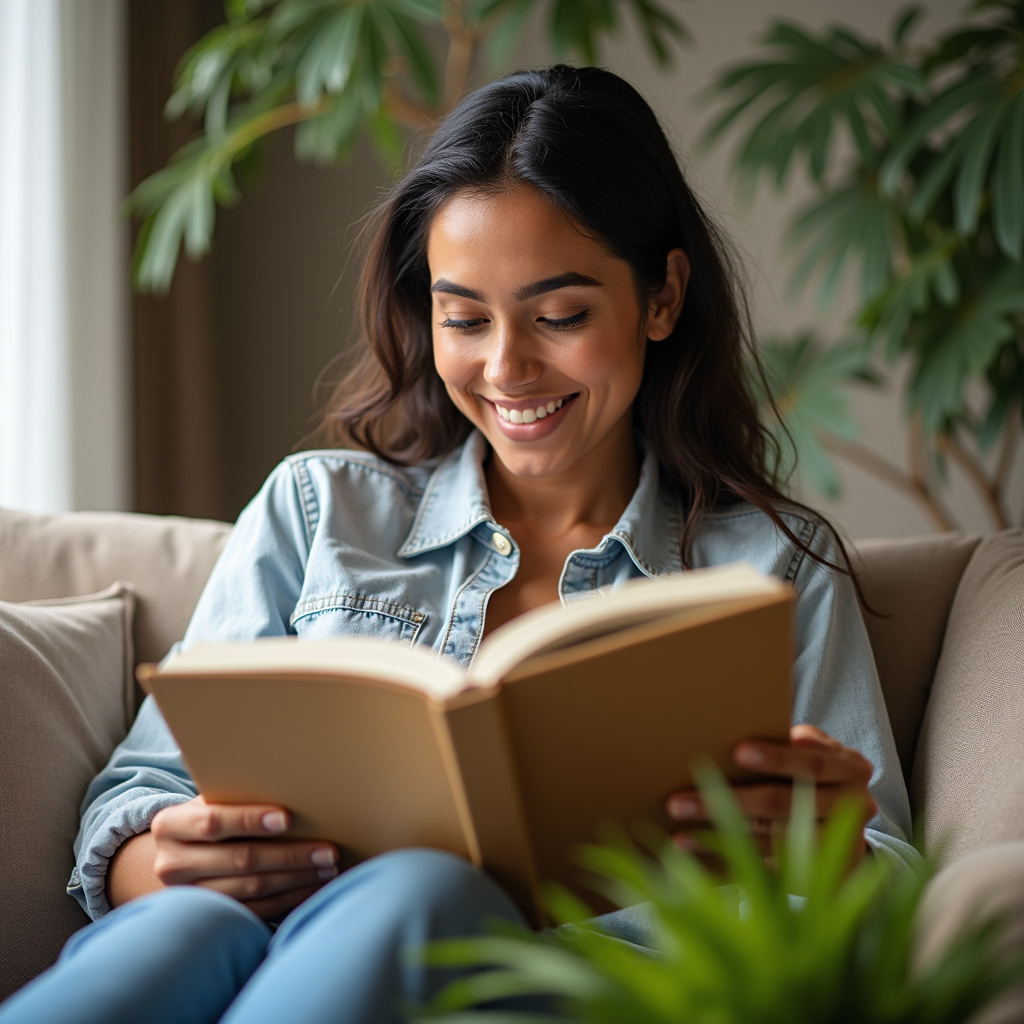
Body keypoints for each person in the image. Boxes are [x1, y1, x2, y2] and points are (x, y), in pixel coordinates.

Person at [2, 64, 918, 1024]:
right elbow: (142, 797)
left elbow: (885, 885)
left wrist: (836, 846)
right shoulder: (319, 511)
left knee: (424, 895)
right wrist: (172, 858)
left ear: (661, 296)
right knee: (185, 928)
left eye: (560, 316)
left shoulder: (769, 568)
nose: (506, 367)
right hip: (265, 947)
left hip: (558, 991)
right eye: (463, 318)